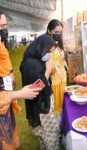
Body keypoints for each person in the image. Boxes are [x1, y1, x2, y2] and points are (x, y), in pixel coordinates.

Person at [0, 10, 41, 150]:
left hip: (5, 107)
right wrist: (19, 94)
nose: (4, 30)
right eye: (0, 26)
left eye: (5, 26)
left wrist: (9, 77)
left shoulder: (1, 46)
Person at [20, 34, 60, 150]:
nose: (49, 55)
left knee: (45, 133)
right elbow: (36, 87)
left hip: (44, 100)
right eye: (48, 51)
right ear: (41, 47)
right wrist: (48, 70)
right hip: (40, 105)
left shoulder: (37, 59)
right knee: (50, 131)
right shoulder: (30, 64)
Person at [46, 19, 68, 116]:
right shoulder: (45, 46)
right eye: (56, 32)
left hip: (62, 80)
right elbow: (48, 67)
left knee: (63, 105)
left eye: (60, 32)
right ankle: (56, 128)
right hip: (53, 82)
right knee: (55, 107)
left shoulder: (58, 44)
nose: (58, 34)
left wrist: (64, 62)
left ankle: (62, 125)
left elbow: (62, 60)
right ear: (49, 31)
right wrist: (58, 62)